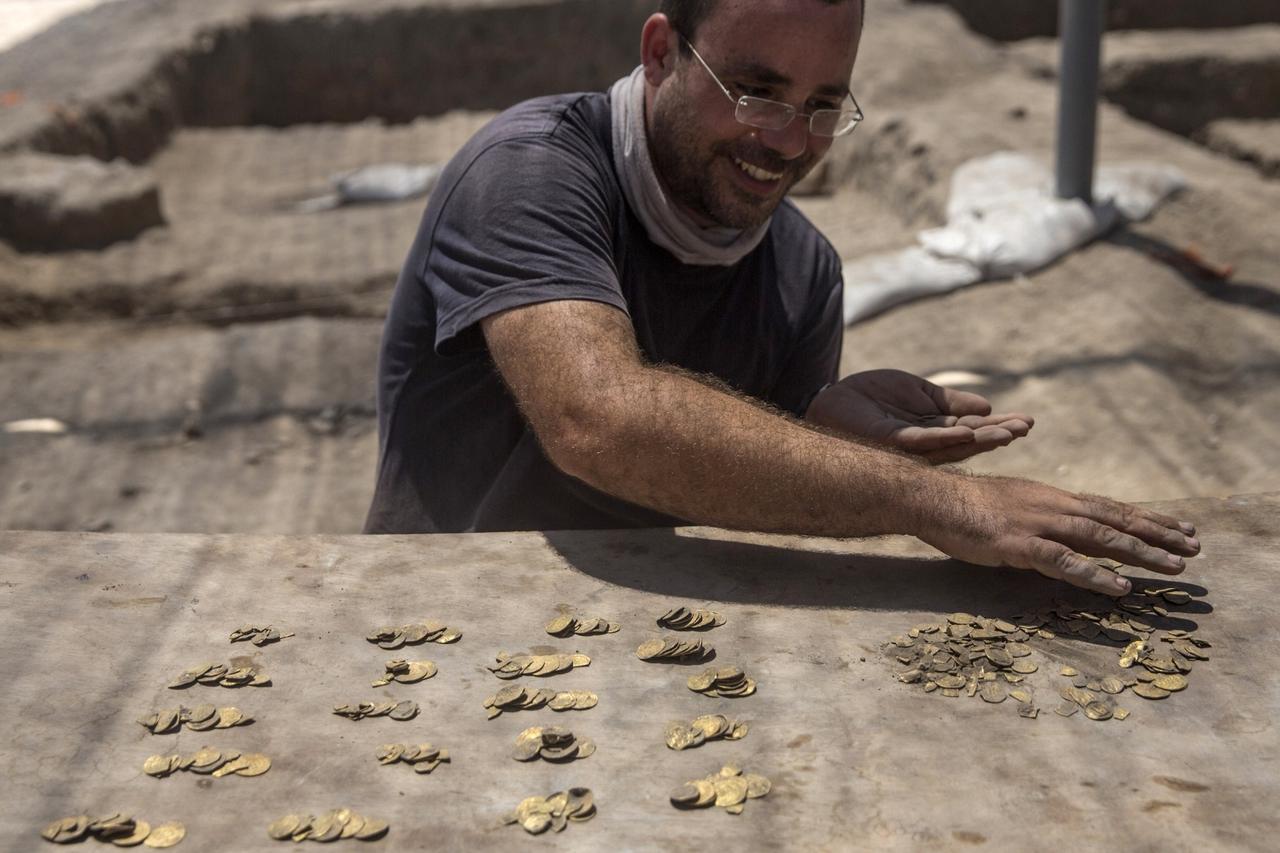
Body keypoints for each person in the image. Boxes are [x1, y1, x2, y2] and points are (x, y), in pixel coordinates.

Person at [365, 0, 1200, 596]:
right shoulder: (530, 171)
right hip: (440, 620)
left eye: (823, 106)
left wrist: (815, 426)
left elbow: (728, 489)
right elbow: (601, 421)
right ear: (661, 53)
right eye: (755, 92)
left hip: (642, 636)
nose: (789, 140)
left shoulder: (806, 271)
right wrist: (935, 501)